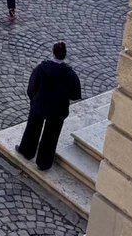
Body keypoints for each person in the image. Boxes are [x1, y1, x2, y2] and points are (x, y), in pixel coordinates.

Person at [17, 42, 82, 171]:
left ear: (53, 52)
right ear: (65, 55)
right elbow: (75, 94)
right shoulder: (70, 74)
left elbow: (31, 88)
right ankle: (44, 163)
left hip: (39, 105)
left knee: (32, 129)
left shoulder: (42, 68)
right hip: (58, 110)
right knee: (51, 136)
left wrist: (34, 99)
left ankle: (27, 151)